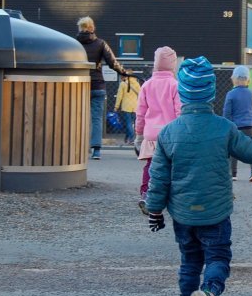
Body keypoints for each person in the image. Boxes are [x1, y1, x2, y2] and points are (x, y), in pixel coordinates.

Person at [145, 56, 252, 296]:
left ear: (182, 93)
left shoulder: (168, 132)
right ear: (210, 93)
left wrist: (155, 211)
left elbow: (159, 179)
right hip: (216, 212)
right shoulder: (224, 128)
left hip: (182, 213)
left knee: (189, 261)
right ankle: (209, 293)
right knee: (218, 257)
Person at [76, 16, 130, 161]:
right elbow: (112, 62)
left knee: (78, 117)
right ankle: (96, 150)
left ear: (80, 28)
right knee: (96, 118)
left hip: (79, 85)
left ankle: (78, 147)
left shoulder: (74, 44)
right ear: (92, 27)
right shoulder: (100, 43)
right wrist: (124, 73)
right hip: (97, 85)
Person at [134, 46, 181, 214]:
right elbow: (179, 112)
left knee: (150, 166)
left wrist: (139, 134)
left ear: (155, 64)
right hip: (171, 135)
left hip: (151, 134)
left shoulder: (147, 85)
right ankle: (171, 198)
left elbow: (140, 113)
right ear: (173, 65)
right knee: (172, 168)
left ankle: (146, 194)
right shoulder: (175, 85)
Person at [223, 65, 252, 182]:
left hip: (236, 127)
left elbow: (227, 112)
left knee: (233, 150)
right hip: (250, 126)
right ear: (248, 80)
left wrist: (227, 125)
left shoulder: (230, 94)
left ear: (234, 79)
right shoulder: (251, 94)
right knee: (250, 149)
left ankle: (233, 174)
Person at [114, 74, 141, 145]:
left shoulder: (123, 84)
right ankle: (127, 138)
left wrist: (116, 106)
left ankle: (131, 138)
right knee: (133, 123)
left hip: (126, 106)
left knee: (128, 123)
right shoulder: (137, 84)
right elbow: (140, 95)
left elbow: (119, 96)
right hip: (135, 106)